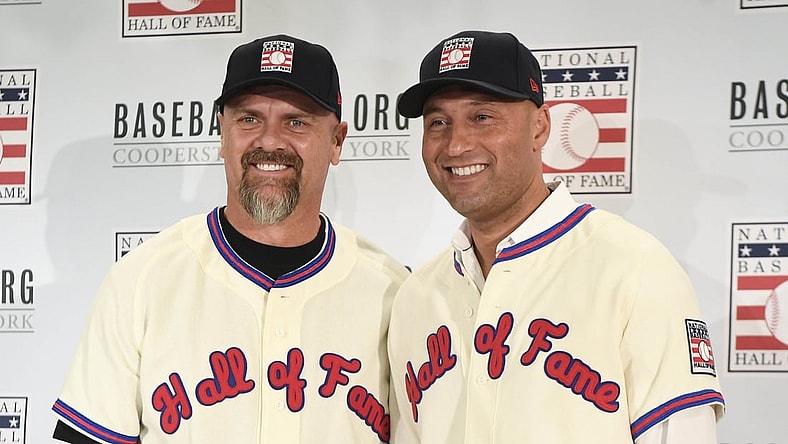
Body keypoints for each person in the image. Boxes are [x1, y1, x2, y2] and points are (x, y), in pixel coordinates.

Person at [52, 34, 408, 443]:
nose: (270, 140)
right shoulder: (142, 280)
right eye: (249, 118)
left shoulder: (393, 292)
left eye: (297, 121)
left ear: (337, 141)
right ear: (223, 133)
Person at [387, 30, 725, 444]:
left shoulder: (635, 269)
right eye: (438, 122)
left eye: (482, 117)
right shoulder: (416, 296)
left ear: (540, 127)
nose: (456, 144)